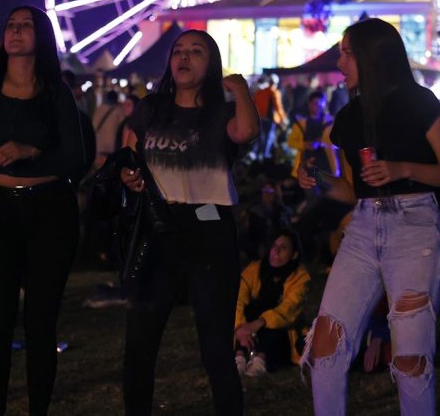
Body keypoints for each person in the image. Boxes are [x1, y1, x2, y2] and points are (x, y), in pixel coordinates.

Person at [295, 18, 440, 416]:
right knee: (325, 344)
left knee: (410, 356)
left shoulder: (420, 102)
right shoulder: (350, 117)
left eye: (347, 52)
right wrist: (317, 177)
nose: (339, 61)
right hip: (363, 226)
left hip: (414, 227)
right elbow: (354, 191)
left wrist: (402, 169)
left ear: (372, 57)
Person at [0, 8, 88, 416]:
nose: (15, 31)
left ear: (40, 36)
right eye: (10, 25)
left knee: (40, 323)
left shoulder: (55, 92)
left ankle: (38, 407)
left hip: (50, 211)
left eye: (25, 26)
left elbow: (76, 159)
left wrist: (32, 151)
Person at [118, 29, 259, 416]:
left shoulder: (222, 111)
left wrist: (241, 90)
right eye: (178, 50)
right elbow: (129, 156)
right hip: (159, 228)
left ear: (210, 63)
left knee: (214, 347)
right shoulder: (151, 109)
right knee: (140, 342)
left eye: (196, 51)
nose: (184, 57)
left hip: (209, 229)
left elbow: (247, 132)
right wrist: (128, 177)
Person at [233, 230, 311, 378]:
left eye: (284, 247)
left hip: (280, 334)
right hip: (250, 328)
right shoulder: (254, 269)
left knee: (275, 321)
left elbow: (288, 309)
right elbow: (238, 298)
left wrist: (261, 322)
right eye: (275, 245)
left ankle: (261, 360)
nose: (276, 250)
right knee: (247, 310)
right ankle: (240, 357)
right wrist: (240, 327)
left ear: (294, 254)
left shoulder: (300, 278)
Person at [286, 90, 338, 177]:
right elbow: (291, 142)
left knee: (323, 186)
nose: (319, 106)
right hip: (306, 165)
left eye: (321, 104)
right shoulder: (300, 122)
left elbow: (337, 143)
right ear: (309, 104)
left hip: (325, 166)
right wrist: (304, 144)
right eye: (316, 103)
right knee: (310, 187)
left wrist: (321, 142)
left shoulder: (330, 122)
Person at [253, 74, 287, 161]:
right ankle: (265, 156)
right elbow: (278, 107)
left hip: (260, 118)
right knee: (269, 138)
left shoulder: (260, 92)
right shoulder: (275, 92)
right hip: (270, 120)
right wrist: (283, 119)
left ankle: (257, 156)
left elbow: (254, 103)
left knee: (261, 137)